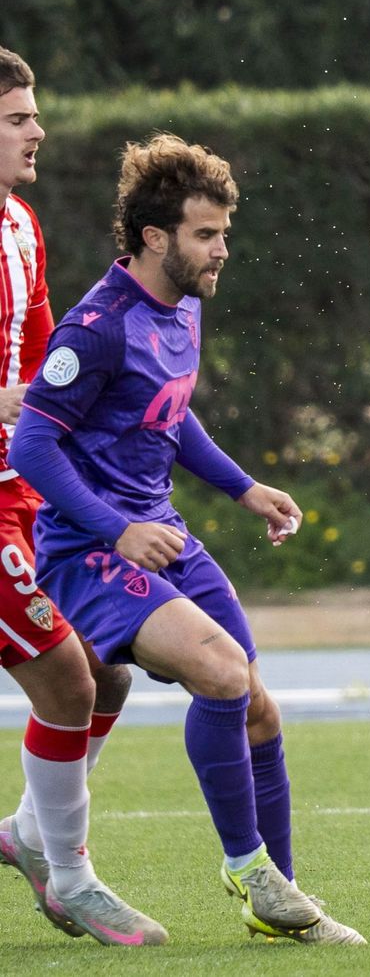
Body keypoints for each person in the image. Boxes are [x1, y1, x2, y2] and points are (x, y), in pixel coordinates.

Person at [9, 132, 365, 944]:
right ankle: (245, 870)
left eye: (224, 233)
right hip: (88, 551)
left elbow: (170, 413)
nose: (221, 250)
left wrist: (244, 488)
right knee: (219, 672)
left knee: (259, 710)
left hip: (159, 533)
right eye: (206, 235)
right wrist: (118, 529)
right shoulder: (95, 328)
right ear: (154, 237)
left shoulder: (184, 307)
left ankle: (281, 902)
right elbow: (32, 446)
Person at [0, 46, 165, 945]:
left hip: (25, 491)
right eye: (18, 118)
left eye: (34, 113)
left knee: (108, 665)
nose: (39, 130)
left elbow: (40, 362)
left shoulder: (21, 225)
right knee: (68, 678)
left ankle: (30, 832)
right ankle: (70, 878)